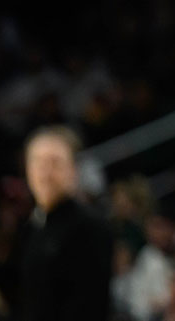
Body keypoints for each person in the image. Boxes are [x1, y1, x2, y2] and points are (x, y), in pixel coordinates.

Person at [18, 125, 113, 321]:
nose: (46, 173)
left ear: (73, 170)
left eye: (55, 163)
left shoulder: (91, 227)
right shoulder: (32, 226)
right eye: (38, 162)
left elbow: (89, 307)